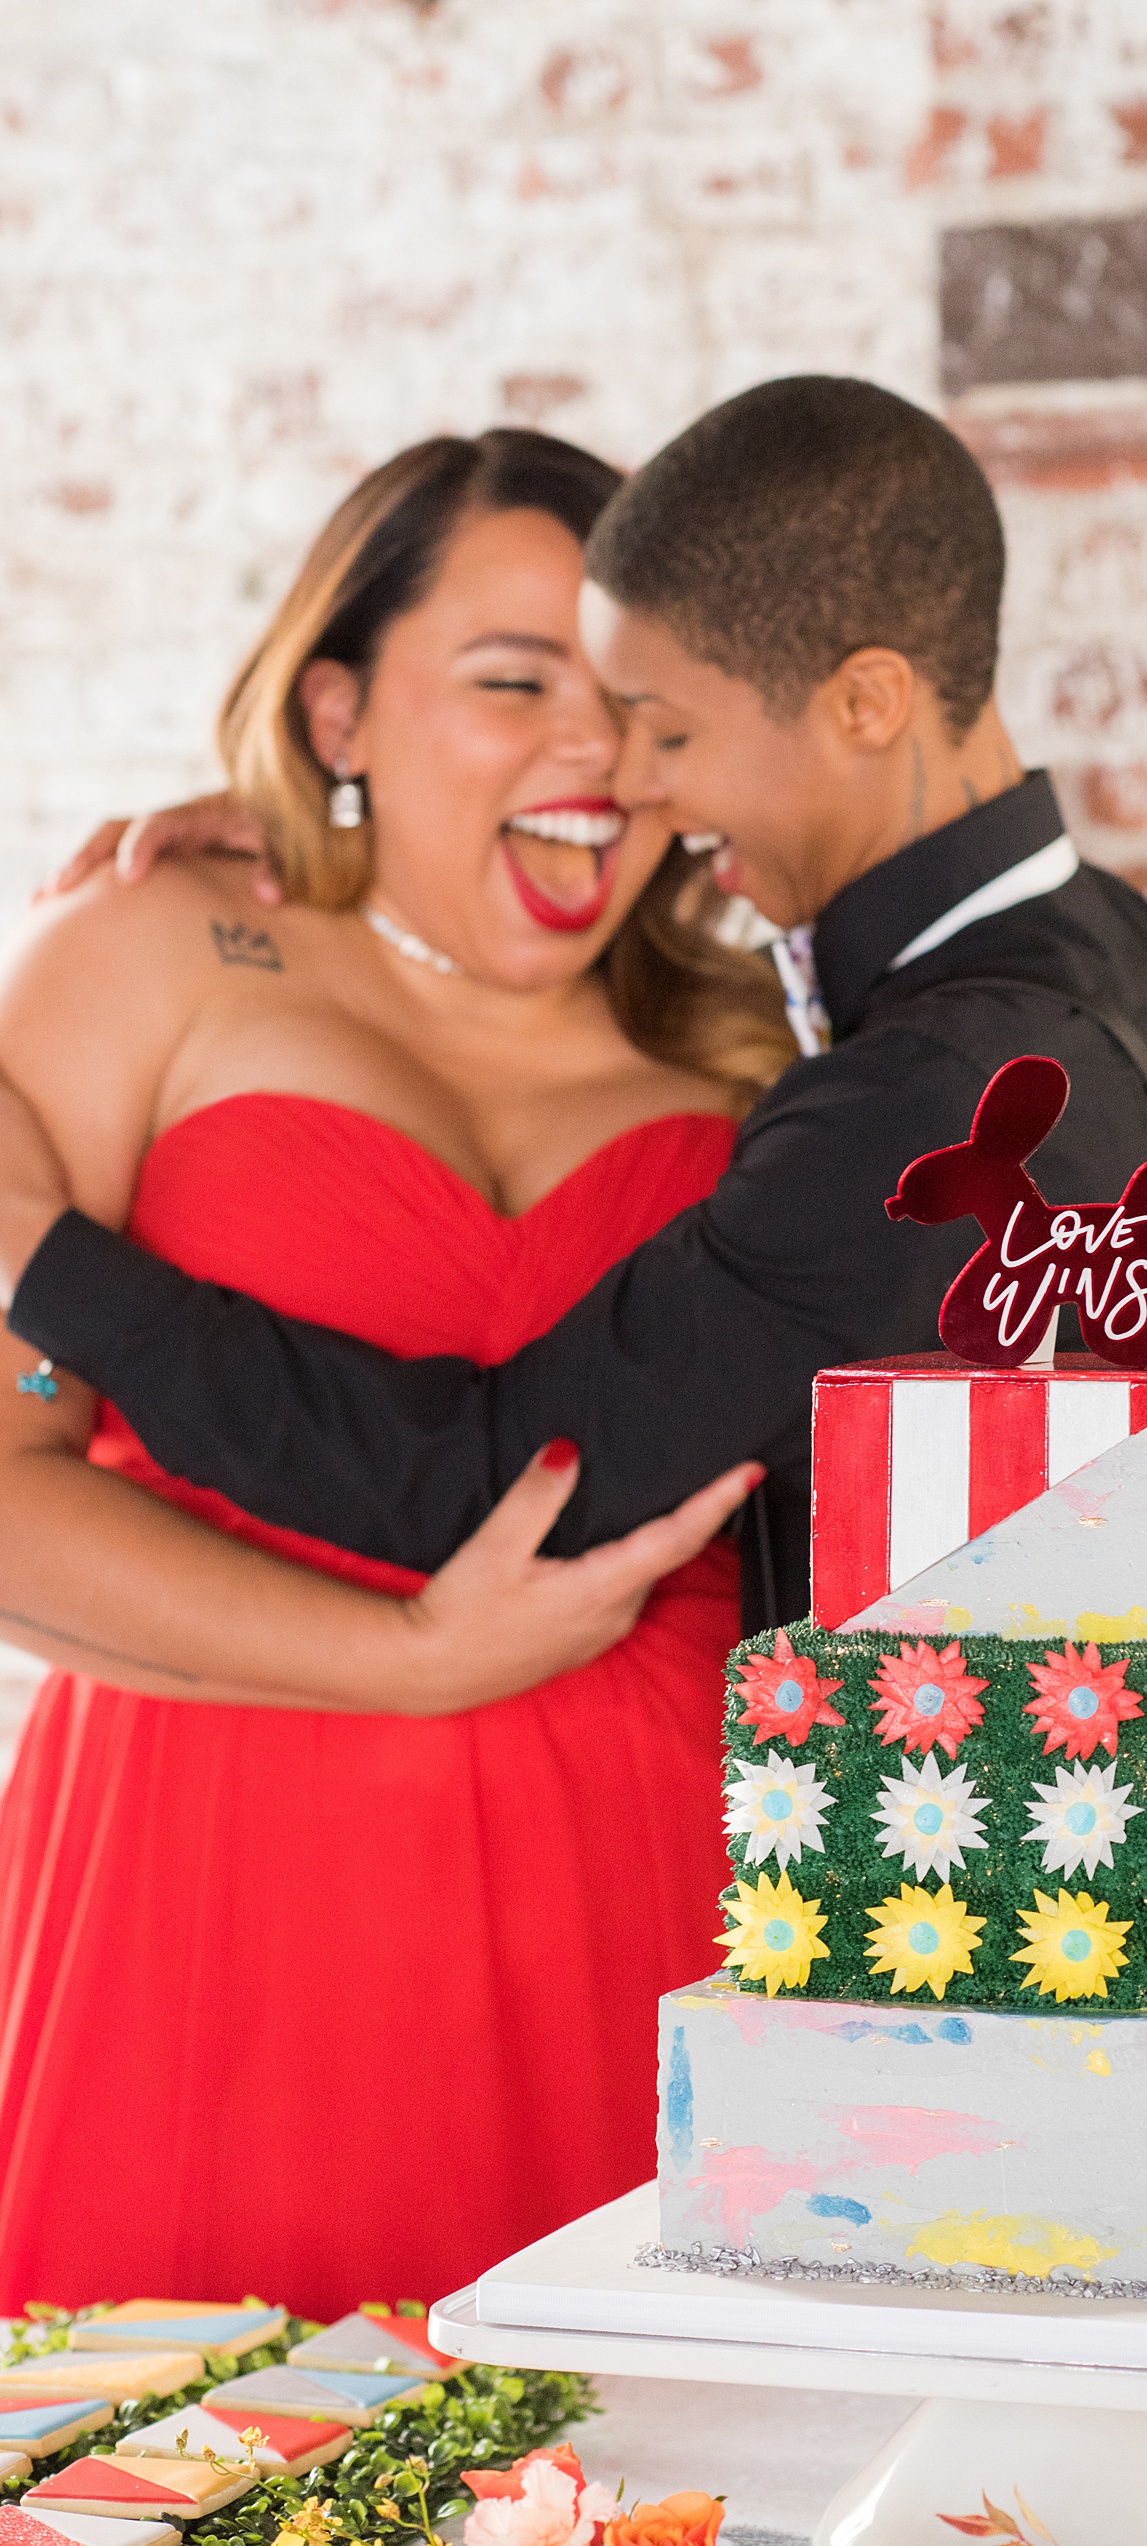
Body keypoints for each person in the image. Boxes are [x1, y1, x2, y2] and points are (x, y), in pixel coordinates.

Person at [2, 377, 1147, 1646]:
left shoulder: (908, 1087)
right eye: (516, 688)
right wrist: (345, 822)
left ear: (863, 703)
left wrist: (40, 1252)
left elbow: (490, 1478)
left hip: (811, 1801)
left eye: (661, 725)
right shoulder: (1113, 945)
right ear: (341, 714)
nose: (623, 774)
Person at [0, 426, 781, 2316]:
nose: (588, 754)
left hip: (660, 1926)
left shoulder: (767, 1074)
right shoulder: (163, 956)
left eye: (633, 702)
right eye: (511, 686)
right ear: (337, 707)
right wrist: (415, 1661)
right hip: (219, 1916)